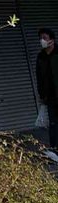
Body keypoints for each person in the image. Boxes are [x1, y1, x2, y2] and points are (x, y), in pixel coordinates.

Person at [36, 27, 58, 160]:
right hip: (50, 96)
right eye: (41, 38)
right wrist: (41, 95)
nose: (42, 41)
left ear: (52, 40)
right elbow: (39, 77)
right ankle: (54, 150)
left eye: (44, 38)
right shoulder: (41, 57)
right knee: (53, 123)